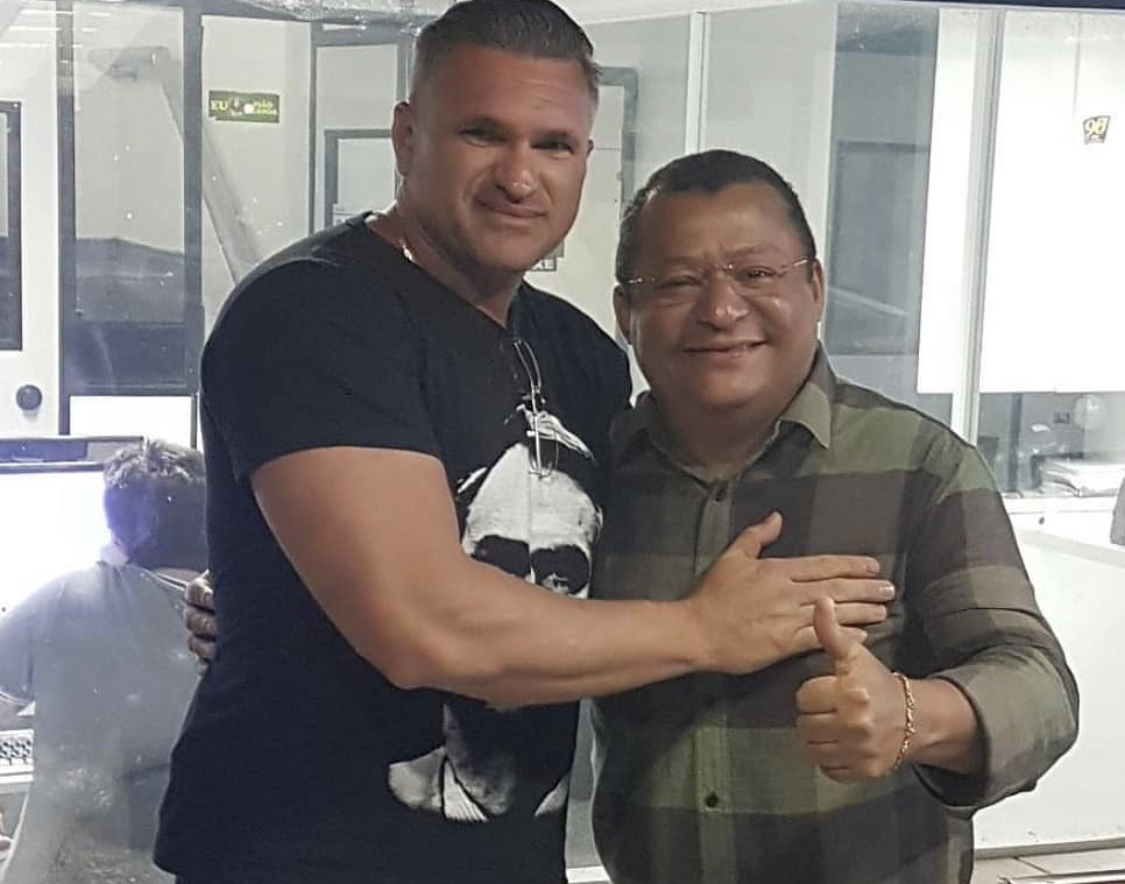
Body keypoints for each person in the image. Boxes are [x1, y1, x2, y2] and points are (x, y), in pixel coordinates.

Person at [154, 2, 895, 883]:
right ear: (406, 137)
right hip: (299, 859)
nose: (518, 176)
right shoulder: (315, 312)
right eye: (482, 134)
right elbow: (421, 624)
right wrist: (704, 629)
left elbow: (626, 557)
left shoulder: (579, 351)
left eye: (553, 144)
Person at [591, 149, 1079, 884]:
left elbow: (1040, 688)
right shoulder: (595, 476)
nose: (720, 309)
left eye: (756, 274)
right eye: (677, 282)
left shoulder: (920, 466)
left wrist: (912, 715)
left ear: (815, 287)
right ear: (626, 311)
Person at [0, 439, 204, 884]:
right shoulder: (250, 617)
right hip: (198, 862)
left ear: (116, 536)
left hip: (68, 868)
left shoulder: (62, 599)